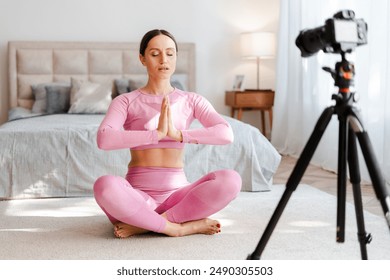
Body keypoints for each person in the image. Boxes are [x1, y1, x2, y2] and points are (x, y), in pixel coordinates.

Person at [93, 29, 242, 238]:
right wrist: (156, 134)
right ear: (142, 59)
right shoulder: (125, 101)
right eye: (155, 54)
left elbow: (225, 134)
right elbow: (104, 139)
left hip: (179, 198)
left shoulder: (191, 100)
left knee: (231, 180)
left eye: (170, 53)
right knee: (104, 185)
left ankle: (147, 224)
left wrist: (178, 134)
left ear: (176, 58)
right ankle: (180, 227)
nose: (164, 59)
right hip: (137, 197)